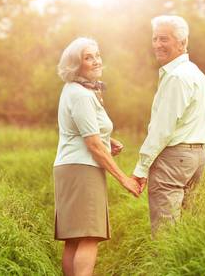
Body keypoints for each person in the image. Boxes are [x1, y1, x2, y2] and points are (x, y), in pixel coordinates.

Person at [53, 37, 140, 276]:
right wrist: (125, 179)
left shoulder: (74, 90)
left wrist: (107, 140)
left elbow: (82, 130)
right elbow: (92, 144)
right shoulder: (81, 94)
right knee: (90, 236)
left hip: (70, 166)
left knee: (74, 239)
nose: (96, 61)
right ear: (75, 65)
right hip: (83, 169)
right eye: (88, 57)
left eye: (97, 55)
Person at [132, 15, 205, 235]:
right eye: (154, 39)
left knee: (165, 233)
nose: (157, 44)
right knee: (185, 230)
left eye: (164, 39)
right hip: (195, 159)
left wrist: (141, 168)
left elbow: (162, 129)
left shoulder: (177, 77)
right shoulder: (195, 74)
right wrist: (201, 145)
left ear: (182, 43)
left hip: (174, 159)